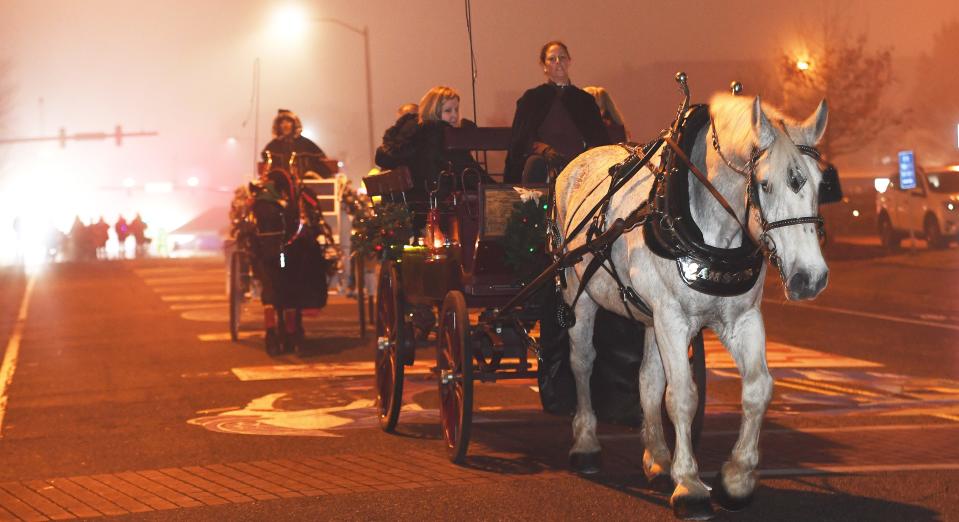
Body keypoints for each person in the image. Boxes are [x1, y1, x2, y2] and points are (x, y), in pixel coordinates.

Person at [375, 85, 489, 227]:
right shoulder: (438, 135)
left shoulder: (414, 136)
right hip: (435, 207)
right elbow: (465, 169)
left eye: (456, 109)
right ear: (433, 111)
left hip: (413, 209)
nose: (454, 115)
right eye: (448, 111)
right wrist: (494, 188)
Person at [504, 40, 611, 184]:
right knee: (535, 165)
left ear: (569, 62)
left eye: (562, 57)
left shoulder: (584, 100)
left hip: (579, 161)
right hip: (545, 162)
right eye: (552, 59)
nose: (558, 62)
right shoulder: (532, 98)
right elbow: (521, 137)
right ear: (544, 66)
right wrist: (543, 149)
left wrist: (588, 155)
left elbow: (599, 138)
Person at [261, 109, 331, 178]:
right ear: (278, 126)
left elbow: (321, 166)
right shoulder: (273, 146)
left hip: (304, 184)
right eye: (282, 123)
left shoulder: (306, 144)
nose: (285, 125)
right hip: (280, 185)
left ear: (294, 124)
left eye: (288, 122)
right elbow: (268, 170)